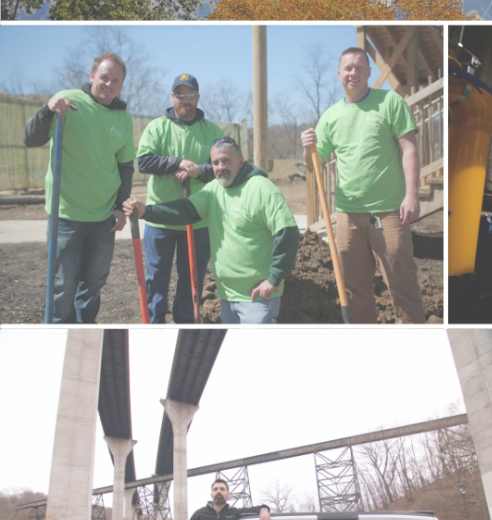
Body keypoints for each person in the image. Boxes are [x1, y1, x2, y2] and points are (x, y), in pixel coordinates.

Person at [301, 47, 423, 324]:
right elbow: (313, 164)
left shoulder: (390, 102)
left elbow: (410, 150)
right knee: (354, 289)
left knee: (401, 283)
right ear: (339, 74)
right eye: (348, 68)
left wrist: (411, 195)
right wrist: (307, 149)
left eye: (359, 68)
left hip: (390, 211)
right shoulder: (331, 116)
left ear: (369, 73)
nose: (353, 73)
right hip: (348, 214)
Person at [123, 138, 299, 324]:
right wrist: (146, 211)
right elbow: (184, 210)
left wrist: (274, 279)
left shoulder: (261, 189)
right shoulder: (214, 190)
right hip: (226, 295)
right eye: (215, 163)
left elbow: (288, 232)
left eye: (226, 161)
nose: (220, 167)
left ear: (240, 160)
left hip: (257, 297)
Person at [23, 52, 134, 324]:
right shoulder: (67, 101)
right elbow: (30, 138)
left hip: (104, 217)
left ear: (121, 85)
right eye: (104, 78)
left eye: (115, 81)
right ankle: (60, 332)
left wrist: (120, 207)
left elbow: (125, 167)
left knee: (93, 284)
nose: (109, 85)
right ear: (92, 76)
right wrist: (47, 110)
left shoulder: (122, 118)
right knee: (63, 285)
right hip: (66, 215)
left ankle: (86, 331)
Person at [136, 74, 223, 323]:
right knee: (156, 278)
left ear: (197, 97)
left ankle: (186, 325)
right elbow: (143, 161)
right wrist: (177, 162)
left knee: (192, 280)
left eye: (190, 94)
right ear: (172, 97)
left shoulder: (212, 131)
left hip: (198, 221)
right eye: (180, 95)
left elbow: (225, 166)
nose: (185, 99)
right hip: (160, 219)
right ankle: (155, 324)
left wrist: (200, 170)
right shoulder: (157, 127)